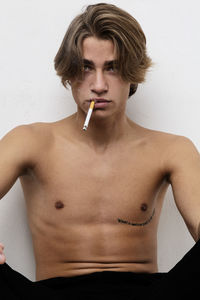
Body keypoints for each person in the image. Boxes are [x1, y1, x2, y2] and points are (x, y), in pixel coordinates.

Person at [0, 3, 200, 299]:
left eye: (113, 68)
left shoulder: (171, 149)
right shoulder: (30, 141)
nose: (98, 85)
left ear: (133, 72)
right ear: (68, 72)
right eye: (85, 67)